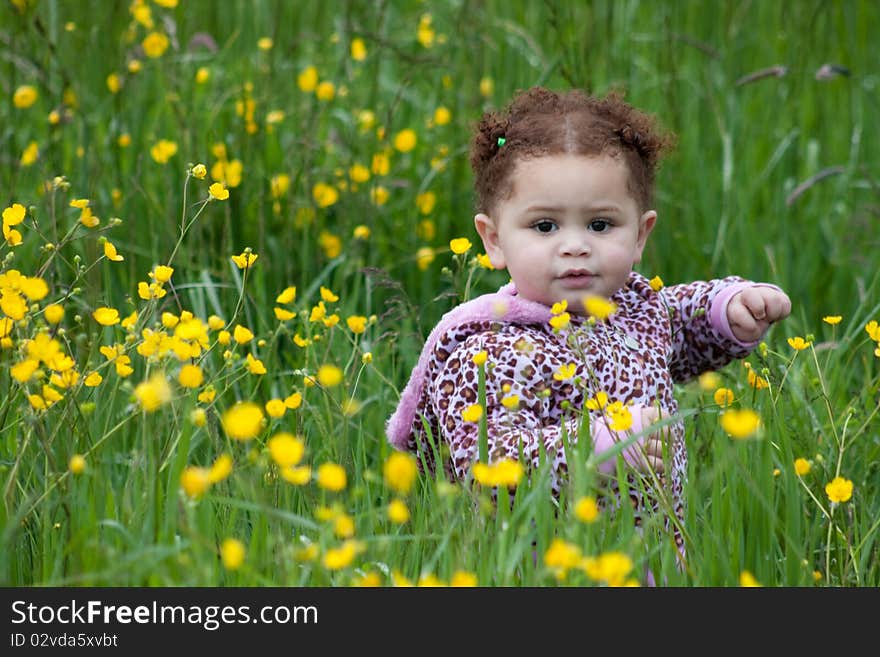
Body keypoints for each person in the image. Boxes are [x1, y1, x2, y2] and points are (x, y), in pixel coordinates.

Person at [385, 87, 791, 555]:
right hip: (544, 565)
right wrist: (598, 446)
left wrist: (728, 310)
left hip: (651, 554)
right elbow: (489, 465)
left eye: (600, 225)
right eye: (545, 226)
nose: (575, 245)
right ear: (494, 240)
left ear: (640, 235)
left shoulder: (637, 309)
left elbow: (680, 320)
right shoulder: (492, 348)